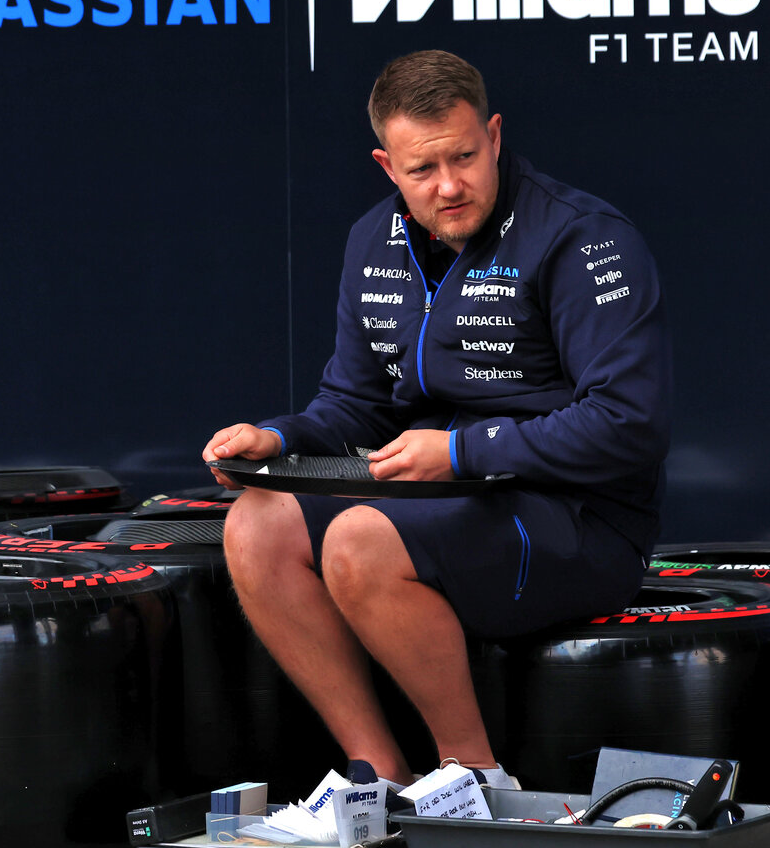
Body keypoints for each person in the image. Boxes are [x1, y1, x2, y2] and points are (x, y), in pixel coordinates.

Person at [202, 50, 670, 790]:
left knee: (360, 538)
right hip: (442, 499)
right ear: (388, 166)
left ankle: (473, 780)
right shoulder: (371, 240)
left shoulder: (583, 238)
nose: (449, 185)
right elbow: (355, 404)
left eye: (464, 157)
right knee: (256, 523)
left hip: (580, 521)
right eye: (423, 170)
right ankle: (375, 772)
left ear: (493, 134)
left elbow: (628, 424)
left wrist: (461, 453)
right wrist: (280, 439)